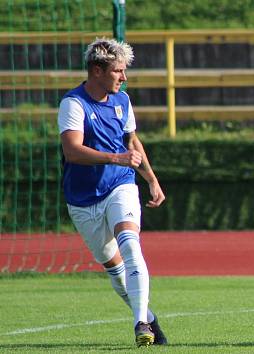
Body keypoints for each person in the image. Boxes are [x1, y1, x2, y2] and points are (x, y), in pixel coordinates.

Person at [57, 38, 167, 347]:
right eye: (118, 71)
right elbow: (72, 151)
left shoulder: (123, 101)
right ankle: (148, 315)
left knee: (131, 247)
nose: (124, 77)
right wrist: (115, 157)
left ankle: (140, 324)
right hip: (82, 200)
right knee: (115, 269)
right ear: (97, 70)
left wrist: (151, 178)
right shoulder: (73, 103)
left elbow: (132, 142)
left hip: (120, 185)